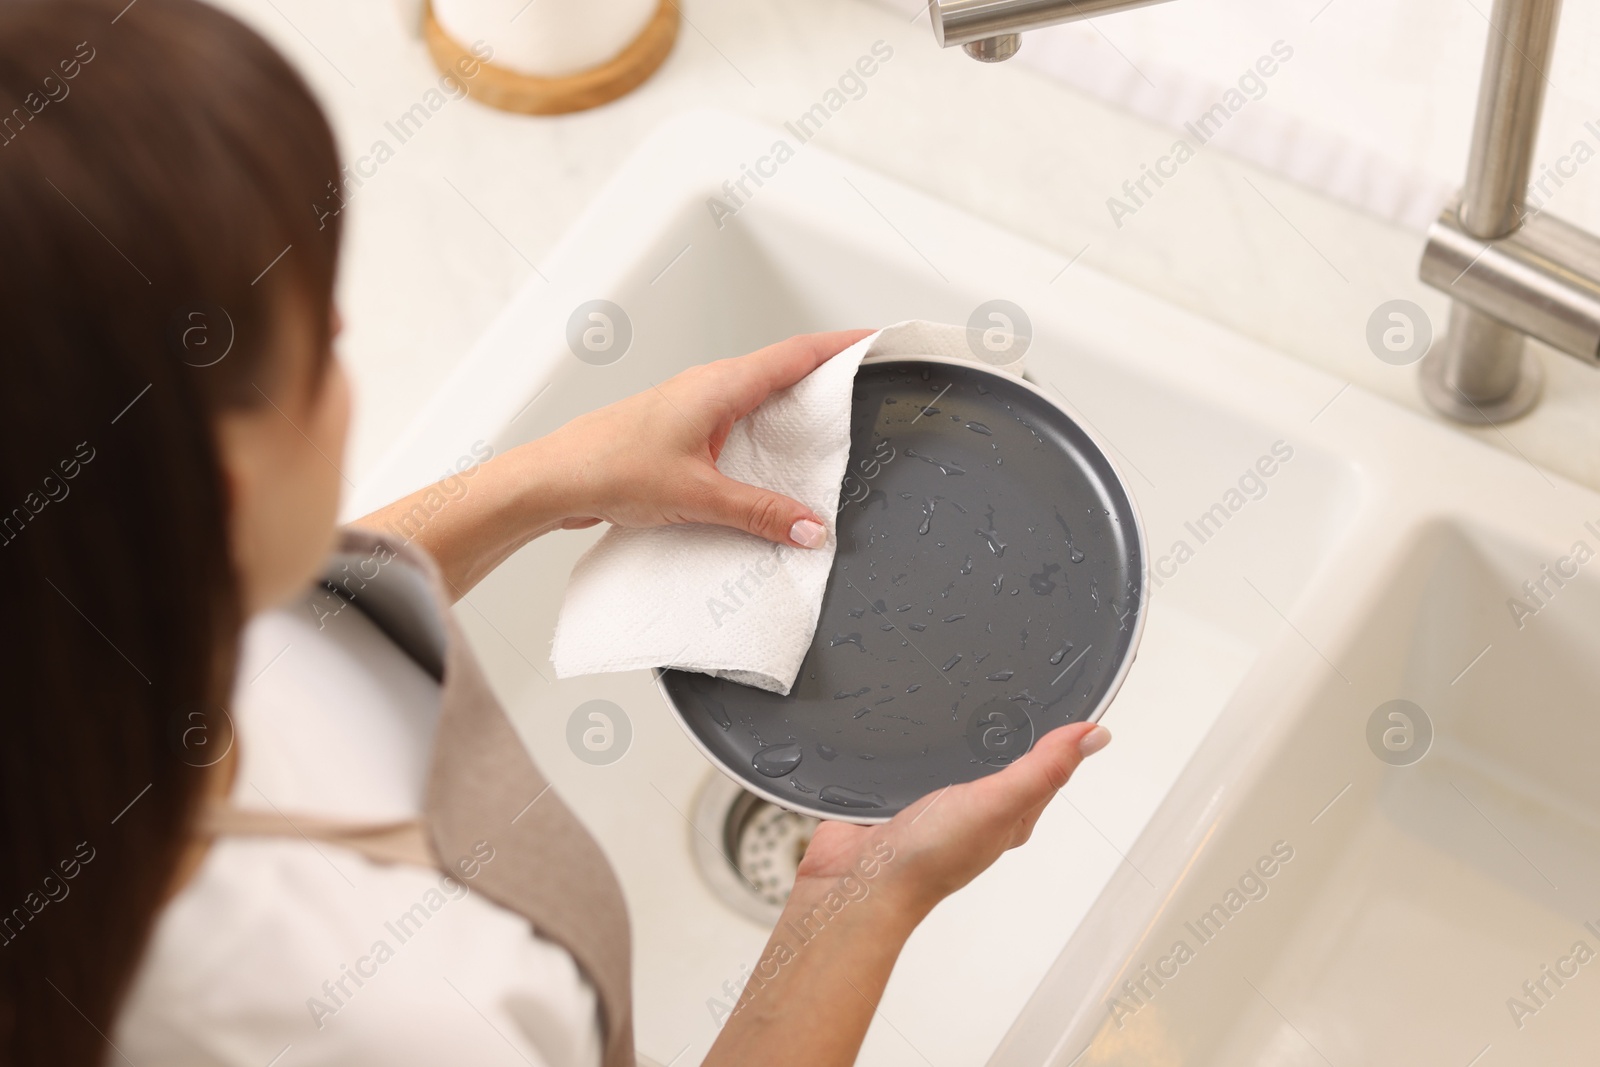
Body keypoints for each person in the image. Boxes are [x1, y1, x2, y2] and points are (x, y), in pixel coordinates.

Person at [0, 2, 1112, 1065]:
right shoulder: (367, 1017)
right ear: (220, 493)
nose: (344, 324)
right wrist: (860, 899)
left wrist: (551, 477)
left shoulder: (74, 635)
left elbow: (281, 620)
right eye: (312, 345)